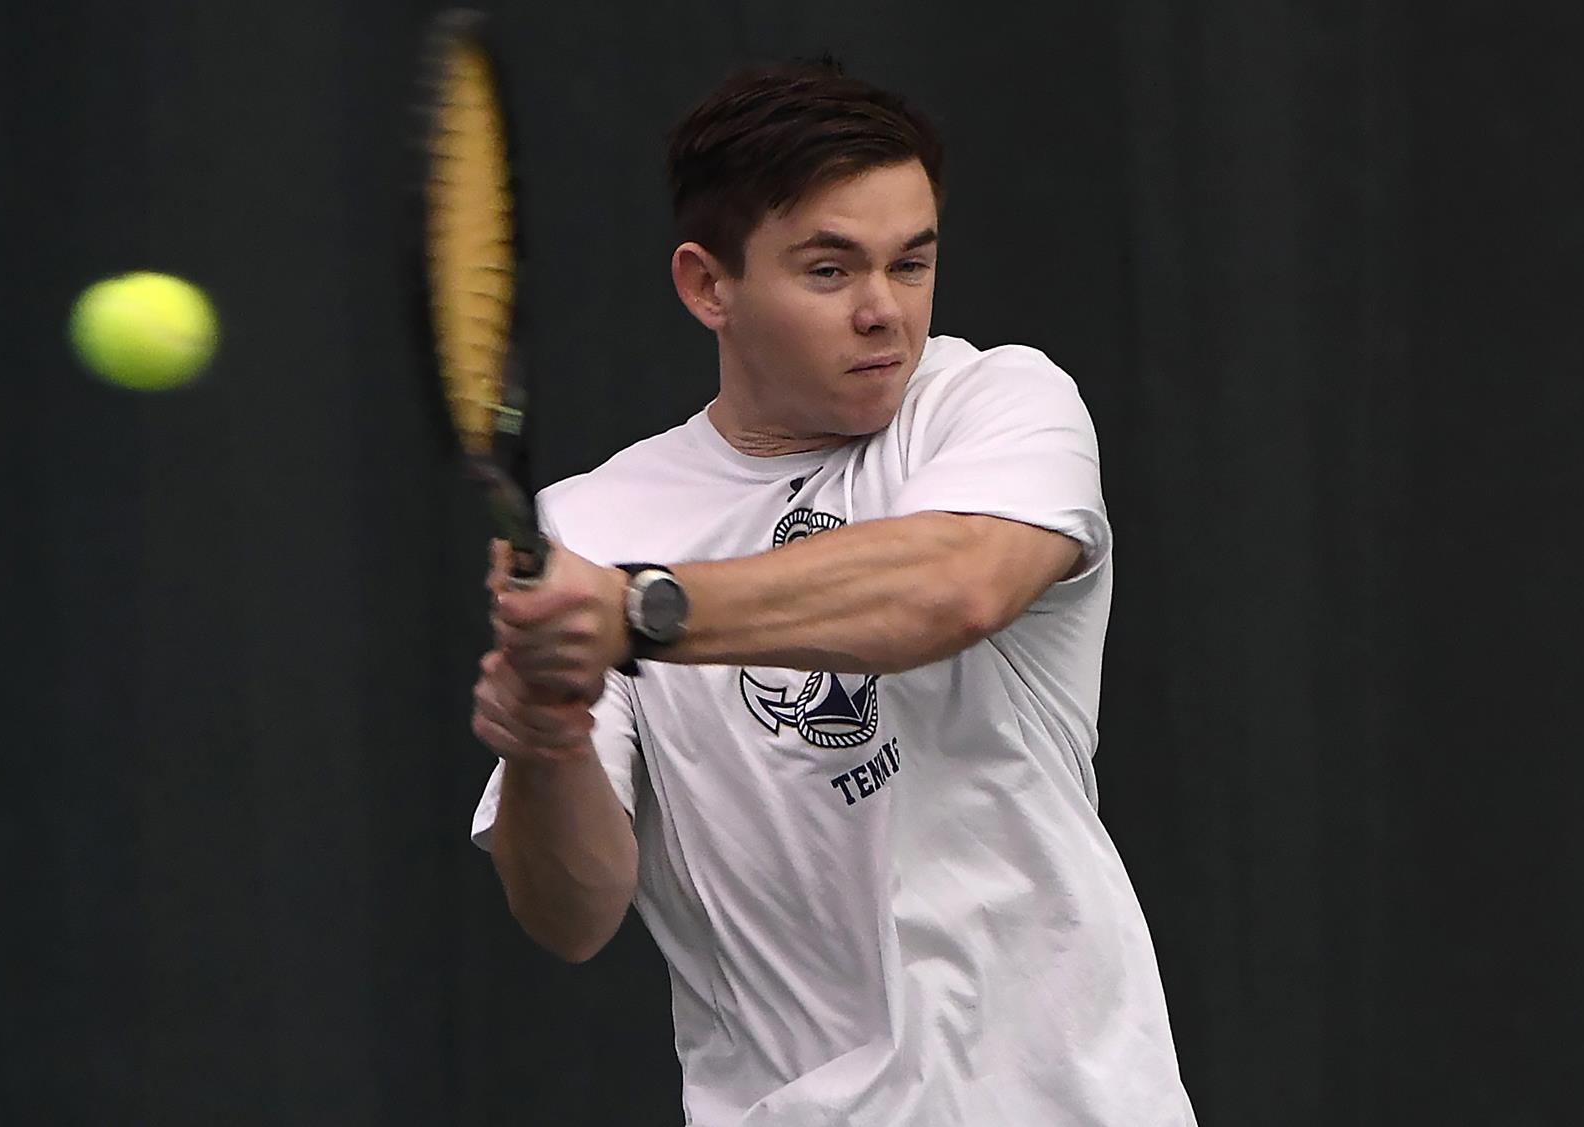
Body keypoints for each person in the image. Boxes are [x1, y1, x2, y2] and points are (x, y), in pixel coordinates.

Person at [467, 59, 1196, 1127]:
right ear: (707, 286)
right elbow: (572, 913)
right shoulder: (591, 523)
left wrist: (631, 613)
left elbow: (954, 589)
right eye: (828, 270)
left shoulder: (997, 403)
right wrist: (545, 736)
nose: (882, 311)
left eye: (911, 263)